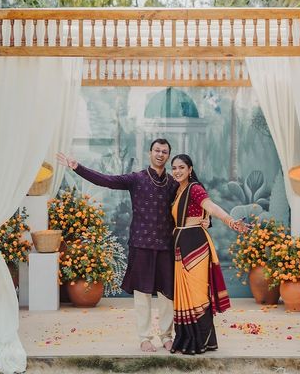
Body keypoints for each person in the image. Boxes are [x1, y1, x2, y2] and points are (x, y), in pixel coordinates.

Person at [56, 139, 206, 353]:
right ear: (150, 153)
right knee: (142, 294)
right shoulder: (137, 178)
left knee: (167, 295)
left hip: (167, 244)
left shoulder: (174, 184)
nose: (161, 154)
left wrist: (205, 218)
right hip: (141, 244)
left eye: (165, 152)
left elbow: (195, 198)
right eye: (157, 151)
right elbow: (106, 180)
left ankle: (166, 336)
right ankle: (144, 338)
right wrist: (77, 167)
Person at [170, 153, 248, 355]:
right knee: (184, 295)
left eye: (181, 167)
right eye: (174, 168)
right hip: (181, 246)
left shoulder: (194, 188)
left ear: (190, 169)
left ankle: (201, 340)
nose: (177, 171)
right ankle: (187, 339)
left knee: (197, 294)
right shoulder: (178, 191)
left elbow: (211, 207)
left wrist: (231, 221)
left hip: (195, 245)